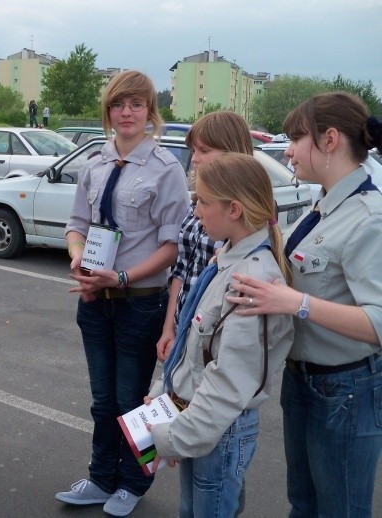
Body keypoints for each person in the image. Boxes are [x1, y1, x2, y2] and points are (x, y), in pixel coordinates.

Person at [226, 92, 382, 517]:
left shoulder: (369, 217)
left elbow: (378, 322)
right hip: (306, 382)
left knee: (340, 510)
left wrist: (296, 302)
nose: (288, 150)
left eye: (296, 138)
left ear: (330, 140)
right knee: (305, 504)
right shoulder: (327, 204)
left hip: (345, 390)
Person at [54, 70, 189, 517]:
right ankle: (100, 477)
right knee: (102, 401)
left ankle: (134, 482)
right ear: (107, 112)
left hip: (138, 301)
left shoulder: (167, 169)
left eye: (136, 104)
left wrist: (123, 277)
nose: (127, 112)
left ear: (150, 111)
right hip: (95, 300)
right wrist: (78, 258)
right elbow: (77, 226)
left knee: (132, 403)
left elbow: (172, 247)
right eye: (118, 104)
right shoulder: (95, 162)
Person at [147, 152, 294, 517]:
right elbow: (193, 347)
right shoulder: (226, 259)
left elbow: (229, 383)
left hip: (218, 431)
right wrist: (164, 397)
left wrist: (173, 439)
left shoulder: (251, 281)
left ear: (234, 210)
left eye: (202, 202)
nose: (195, 211)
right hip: (201, 421)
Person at [157, 111, 254, 364]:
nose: (195, 159)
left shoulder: (247, 210)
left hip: (215, 339)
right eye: (194, 150)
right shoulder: (198, 199)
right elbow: (181, 269)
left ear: (232, 152)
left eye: (204, 150)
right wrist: (170, 328)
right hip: (185, 327)